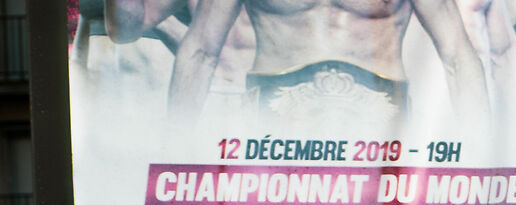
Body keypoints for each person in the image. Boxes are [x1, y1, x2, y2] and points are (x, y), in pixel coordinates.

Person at [168, 0, 491, 125]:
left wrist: (483, 156)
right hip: (273, 131)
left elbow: (457, 55)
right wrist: (173, 147)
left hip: (381, 134)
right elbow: (200, 51)